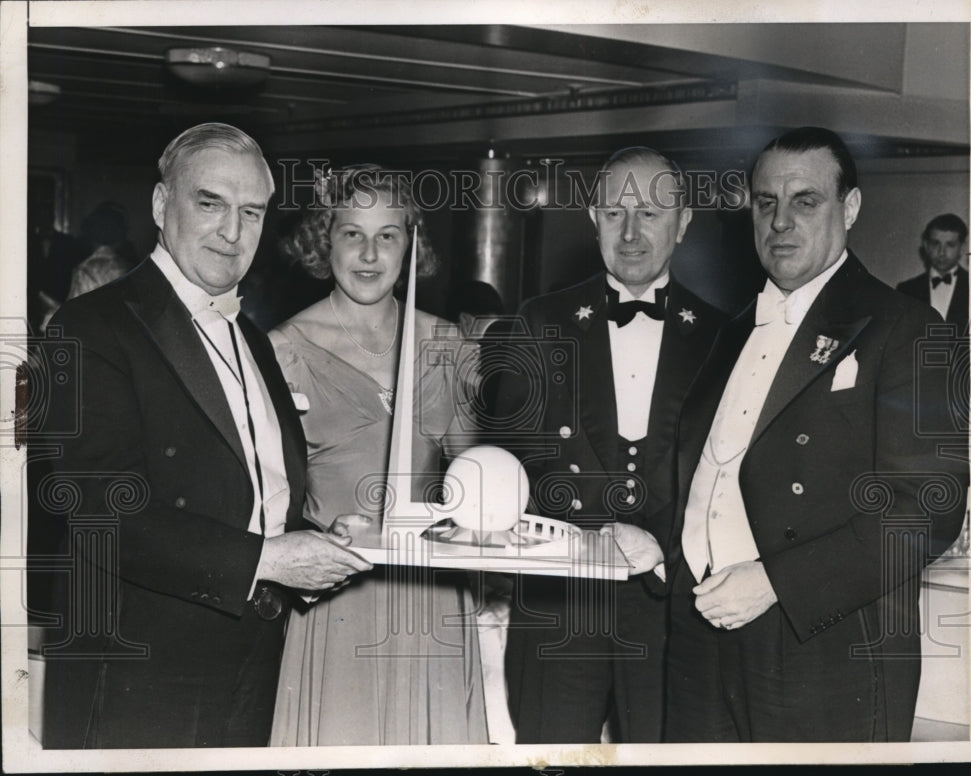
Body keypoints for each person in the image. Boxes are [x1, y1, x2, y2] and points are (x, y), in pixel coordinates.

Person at [38, 123, 372, 749]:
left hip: (250, 654)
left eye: (251, 212)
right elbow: (100, 509)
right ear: (163, 206)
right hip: (139, 664)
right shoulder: (92, 326)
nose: (232, 231)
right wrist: (268, 560)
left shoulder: (250, 334)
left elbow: (250, 486)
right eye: (210, 203)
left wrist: (312, 540)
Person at [665, 126, 968, 742]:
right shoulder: (728, 333)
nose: (781, 221)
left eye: (806, 201)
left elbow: (927, 512)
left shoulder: (906, 328)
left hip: (819, 648)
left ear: (849, 208)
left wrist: (777, 582)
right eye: (766, 202)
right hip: (699, 634)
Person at [495, 147, 727, 743]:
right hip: (560, 604)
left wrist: (657, 545)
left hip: (670, 608)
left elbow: (730, 482)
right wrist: (593, 530)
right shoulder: (538, 321)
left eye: (651, 213)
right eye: (616, 213)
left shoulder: (724, 339)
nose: (631, 233)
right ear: (593, 218)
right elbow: (515, 461)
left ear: (683, 222)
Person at [267, 165, 489, 746]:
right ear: (325, 239)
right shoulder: (282, 350)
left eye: (387, 234)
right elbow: (264, 502)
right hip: (336, 591)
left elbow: (475, 489)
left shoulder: (449, 346)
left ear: (411, 243)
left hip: (432, 596)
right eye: (351, 233)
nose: (369, 253)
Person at [896, 213, 969, 325]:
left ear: (962, 247)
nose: (941, 252)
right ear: (925, 245)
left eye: (950, 245)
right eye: (935, 244)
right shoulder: (906, 290)